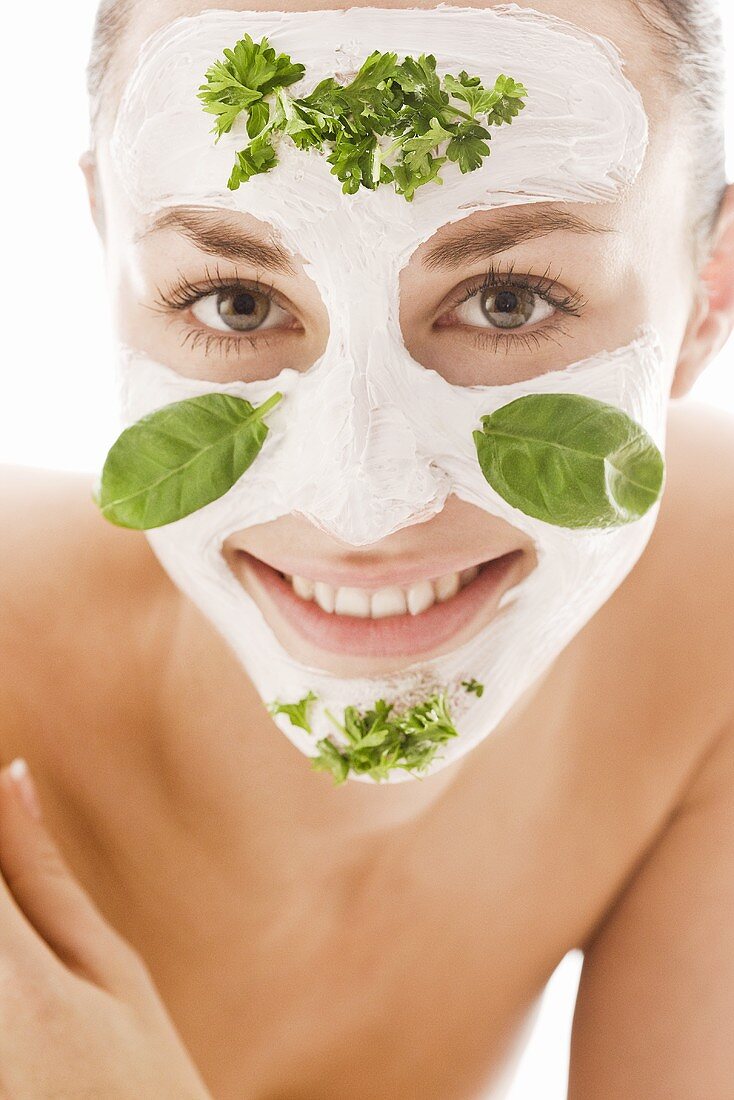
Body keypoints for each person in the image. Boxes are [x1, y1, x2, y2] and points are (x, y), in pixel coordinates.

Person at [1, 0, 733, 1097]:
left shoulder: (709, 618)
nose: (361, 502)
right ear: (108, 245)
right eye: (238, 300)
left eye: (506, 298)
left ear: (705, 296)